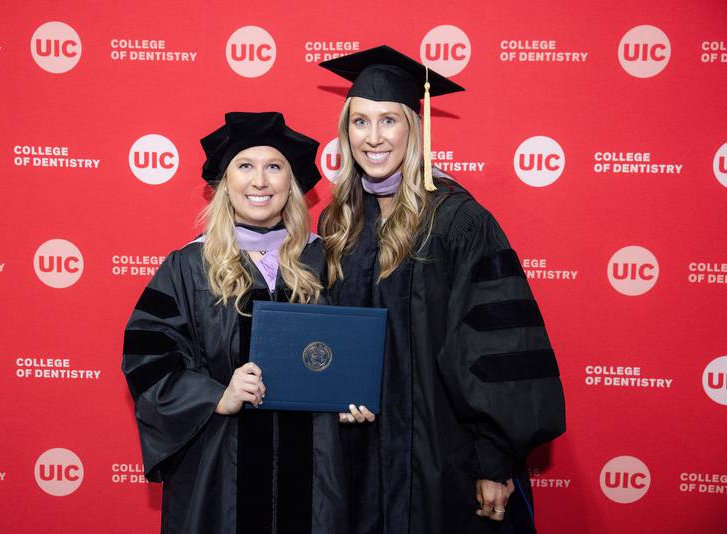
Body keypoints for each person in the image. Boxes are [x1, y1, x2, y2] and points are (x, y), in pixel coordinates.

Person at [318, 46, 566, 533]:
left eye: (389, 120)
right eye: (360, 122)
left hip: (441, 455)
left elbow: (496, 342)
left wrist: (495, 459)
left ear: (415, 127)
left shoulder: (458, 221)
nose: (373, 138)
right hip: (358, 453)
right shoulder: (339, 222)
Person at [122, 112, 348, 533]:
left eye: (274, 167)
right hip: (220, 477)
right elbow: (148, 358)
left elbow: (354, 354)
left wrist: (353, 396)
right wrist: (214, 396)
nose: (260, 181)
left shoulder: (327, 261)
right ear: (225, 184)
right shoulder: (189, 267)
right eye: (245, 166)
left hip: (314, 473)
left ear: (292, 184)